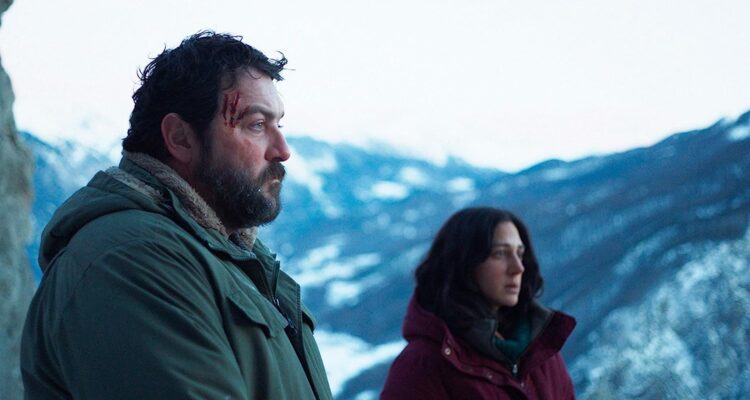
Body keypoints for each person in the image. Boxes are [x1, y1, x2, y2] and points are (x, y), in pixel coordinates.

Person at [21, 31, 333, 400]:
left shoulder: (226, 256)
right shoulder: (130, 261)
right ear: (180, 138)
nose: (282, 150)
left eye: (278, 124)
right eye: (256, 125)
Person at [381, 207, 577, 399]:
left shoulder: (539, 352)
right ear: (464, 262)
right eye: (500, 253)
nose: (518, 268)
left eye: (520, 253)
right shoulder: (421, 366)